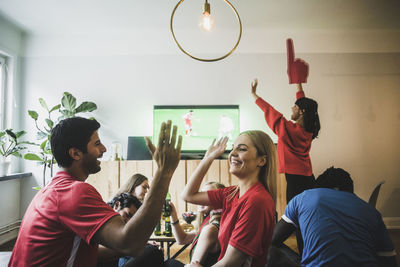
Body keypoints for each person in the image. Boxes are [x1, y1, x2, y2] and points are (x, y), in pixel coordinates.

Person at [9, 117, 182, 267]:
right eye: (97, 144)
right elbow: (131, 244)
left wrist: (132, 248)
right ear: (76, 153)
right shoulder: (74, 191)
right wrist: (164, 172)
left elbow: (84, 251)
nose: (104, 149)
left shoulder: (52, 189)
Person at [182, 132, 277, 267]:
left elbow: (231, 262)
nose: (232, 153)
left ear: (261, 160)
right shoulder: (231, 193)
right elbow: (188, 195)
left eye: (242, 149)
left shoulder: (257, 200)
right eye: (233, 148)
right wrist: (208, 158)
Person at [271, 167, 397, 267]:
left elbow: (271, 239)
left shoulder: (303, 197)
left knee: (266, 247)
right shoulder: (371, 212)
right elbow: (389, 260)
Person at [251, 38, 321, 204]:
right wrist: (298, 84)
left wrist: (254, 95)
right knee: (308, 210)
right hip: (307, 175)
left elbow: (271, 112)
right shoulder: (308, 131)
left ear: (301, 112)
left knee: (295, 212)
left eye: (295, 107)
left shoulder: (289, 129)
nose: (292, 109)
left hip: (295, 179)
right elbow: (303, 103)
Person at [169, 182, 225, 267]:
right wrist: (173, 215)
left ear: (219, 201)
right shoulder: (208, 221)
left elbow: (193, 264)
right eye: (200, 194)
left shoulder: (211, 229)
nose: (200, 199)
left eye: (207, 196)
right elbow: (182, 239)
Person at [106, 193, 164, 267]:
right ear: (117, 205)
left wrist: (142, 243)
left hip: (120, 258)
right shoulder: (103, 221)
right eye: (127, 215)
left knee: (169, 262)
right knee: (154, 252)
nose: (129, 223)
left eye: (133, 219)